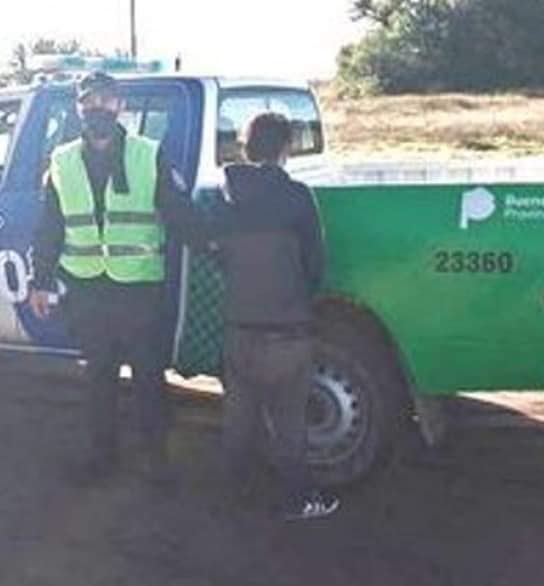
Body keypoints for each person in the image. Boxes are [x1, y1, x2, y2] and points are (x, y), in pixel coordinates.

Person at [29, 71, 205, 484]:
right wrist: (40, 279)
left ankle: (155, 461)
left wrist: (215, 244)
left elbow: (177, 213)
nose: (99, 108)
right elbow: (50, 226)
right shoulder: (62, 160)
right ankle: (100, 457)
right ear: (79, 108)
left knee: (148, 378)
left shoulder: (148, 154)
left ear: (120, 106)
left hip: (139, 289)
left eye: (107, 101)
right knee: (98, 379)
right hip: (87, 289)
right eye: (90, 101)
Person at [219, 112, 340, 520]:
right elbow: (315, 264)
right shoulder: (298, 197)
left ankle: (232, 497)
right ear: (286, 148)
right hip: (288, 331)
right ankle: (297, 501)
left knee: (239, 419)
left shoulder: (226, 192)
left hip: (239, 327)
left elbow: (216, 251)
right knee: (289, 423)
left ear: (247, 148)